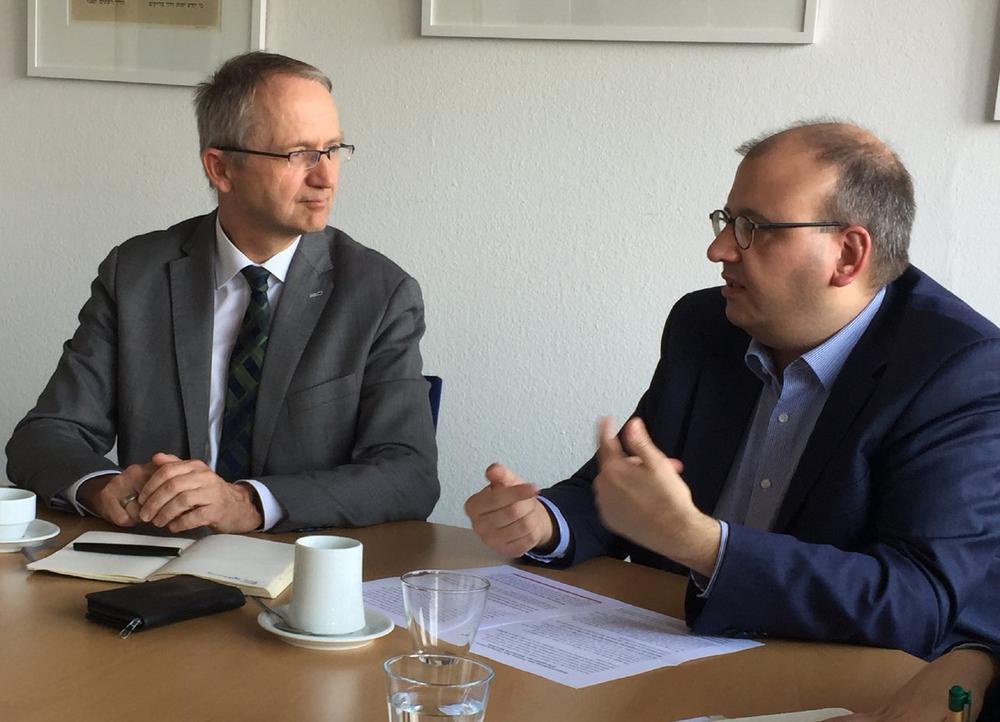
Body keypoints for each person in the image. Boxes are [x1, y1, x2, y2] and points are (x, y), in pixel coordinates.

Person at [465, 121, 1000, 660]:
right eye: (727, 221)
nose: (718, 249)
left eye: (755, 228)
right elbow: (628, 493)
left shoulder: (955, 368)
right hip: (656, 652)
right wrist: (542, 523)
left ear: (848, 255)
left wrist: (700, 544)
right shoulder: (705, 325)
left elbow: (917, 599)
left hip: (821, 675)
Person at [6, 52, 438, 534]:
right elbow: (43, 437)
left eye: (333, 149)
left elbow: (409, 475)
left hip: (296, 560)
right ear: (221, 169)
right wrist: (102, 486)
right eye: (298, 154)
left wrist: (249, 503)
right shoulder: (137, 275)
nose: (326, 176)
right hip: (157, 557)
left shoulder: (379, 293)